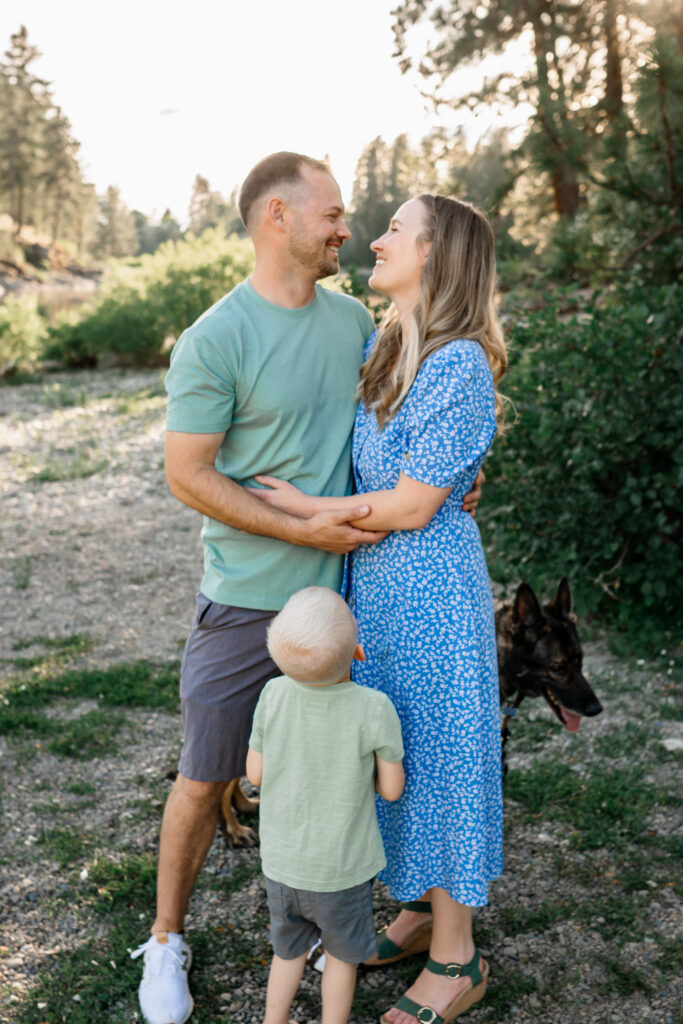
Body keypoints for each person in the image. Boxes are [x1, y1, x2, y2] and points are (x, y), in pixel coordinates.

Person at [131, 152, 482, 1024]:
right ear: (277, 217)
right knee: (207, 773)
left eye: (374, 222)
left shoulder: (352, 323)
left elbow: (421, 443)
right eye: (332, 213)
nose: (351, 228)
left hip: (360, 589)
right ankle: (166, 939)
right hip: (251, 595)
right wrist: (300, 527)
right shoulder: (218, 336)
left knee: (393, 757)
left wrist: (455, 481)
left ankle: (428, 932)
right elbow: (187, 474)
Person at [248, 193, 506, 1024]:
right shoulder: (386, 340)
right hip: (380, 591)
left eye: (396, 228)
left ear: (436, 253)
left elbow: (408, 507)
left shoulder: (459, 361)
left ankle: (457, 957)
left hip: (429, 589)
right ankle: (422, 907)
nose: (374, 238)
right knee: (391, 750)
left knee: (437, 757)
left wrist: (308, 510)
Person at [246, 585, 404, 1024]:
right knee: (340, 958)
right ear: (357, 651)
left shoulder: (272, 696)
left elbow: (255, 775)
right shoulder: (374, 708)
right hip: (342, 870)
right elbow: (391, 790)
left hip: (282, 865)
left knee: (287, 952)